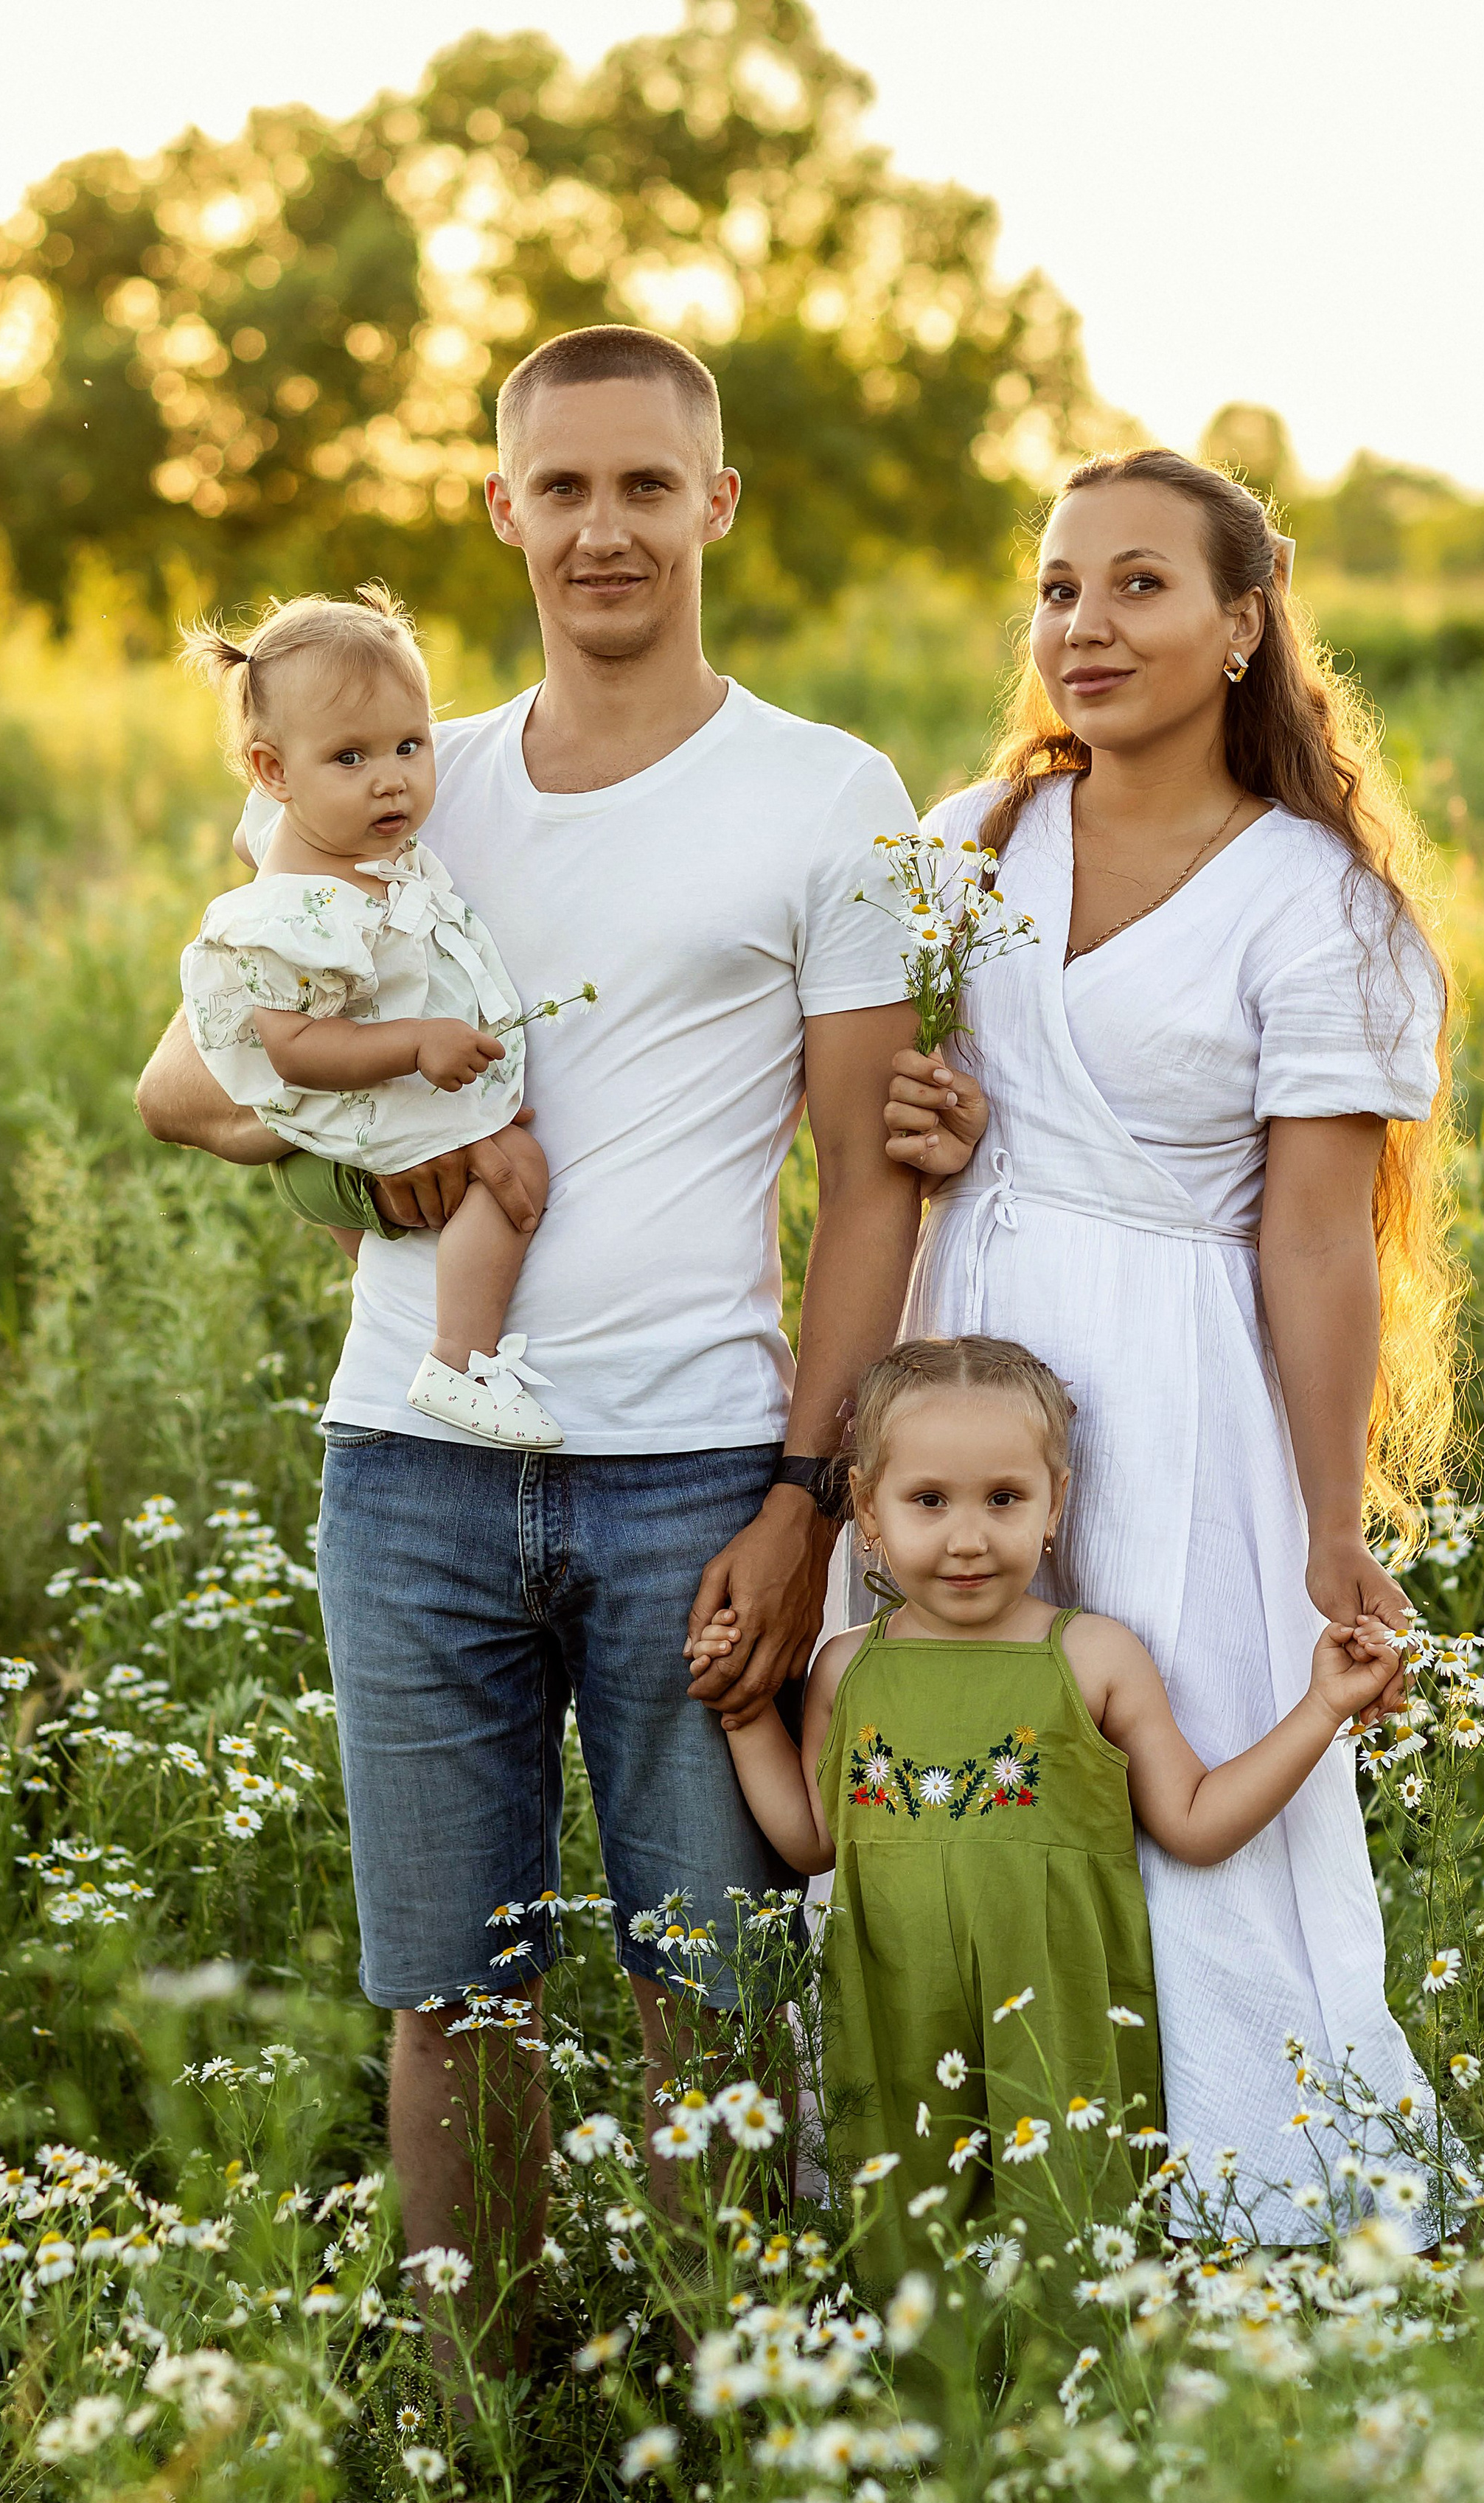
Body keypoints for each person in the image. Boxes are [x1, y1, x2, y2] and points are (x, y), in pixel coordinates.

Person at [136, 325, 923, 2364]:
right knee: (448, 1990)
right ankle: (482, 2440)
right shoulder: (402, 776)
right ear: (501, 508)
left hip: (697, 1478)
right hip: (410, 1468)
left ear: (714, 502)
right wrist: (362, 1144)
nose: (603, 528)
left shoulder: (826, 793)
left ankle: (733, 2425)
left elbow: (871, 1179)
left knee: (711, 1985)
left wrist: (808, 1499)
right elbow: (194, 1078)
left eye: (645, 484)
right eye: (560, 487)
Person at [879, 449, 1466, 2243]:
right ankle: (960, 2191)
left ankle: (1238, 2210)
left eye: (1140, 585)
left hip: (1178, 1384)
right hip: (965, 1357)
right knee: (956, 1758)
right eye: (1058, 587)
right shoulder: (968, 839)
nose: (1086, 624)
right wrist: (937, 1124)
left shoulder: (1315, 901)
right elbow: (906, 1112)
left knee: (1174, 1768)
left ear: (1239, 625)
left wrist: (1327, 1522)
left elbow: (1314, 1238)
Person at [690, 1335, 1402, 2280]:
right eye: (928, 1500)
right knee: (908, 2265)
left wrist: (1320, 1708)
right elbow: (812, 1841)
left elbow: (1195, 1822)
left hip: (1058, 2027)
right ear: (866, 1508)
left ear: (1055, 1503)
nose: (968, 1538)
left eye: (1004, 1498)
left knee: (1068, 2260)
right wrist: (745, 1719)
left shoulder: (1093, 1656)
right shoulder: (847, 1665)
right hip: (892, 2019)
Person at [178, 585, 567, 1450]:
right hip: (337, 1100)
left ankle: (415, 1315)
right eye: (349, 757)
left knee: (450, 1204)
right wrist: (417, 1042)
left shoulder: (335, 837)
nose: (391, 778)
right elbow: (294, 1047)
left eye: (409, 745)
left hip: (356, 1105)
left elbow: (260, 833)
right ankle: (460, 1361)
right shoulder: (297, 909)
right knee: (515, 1171)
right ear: (274, 773)